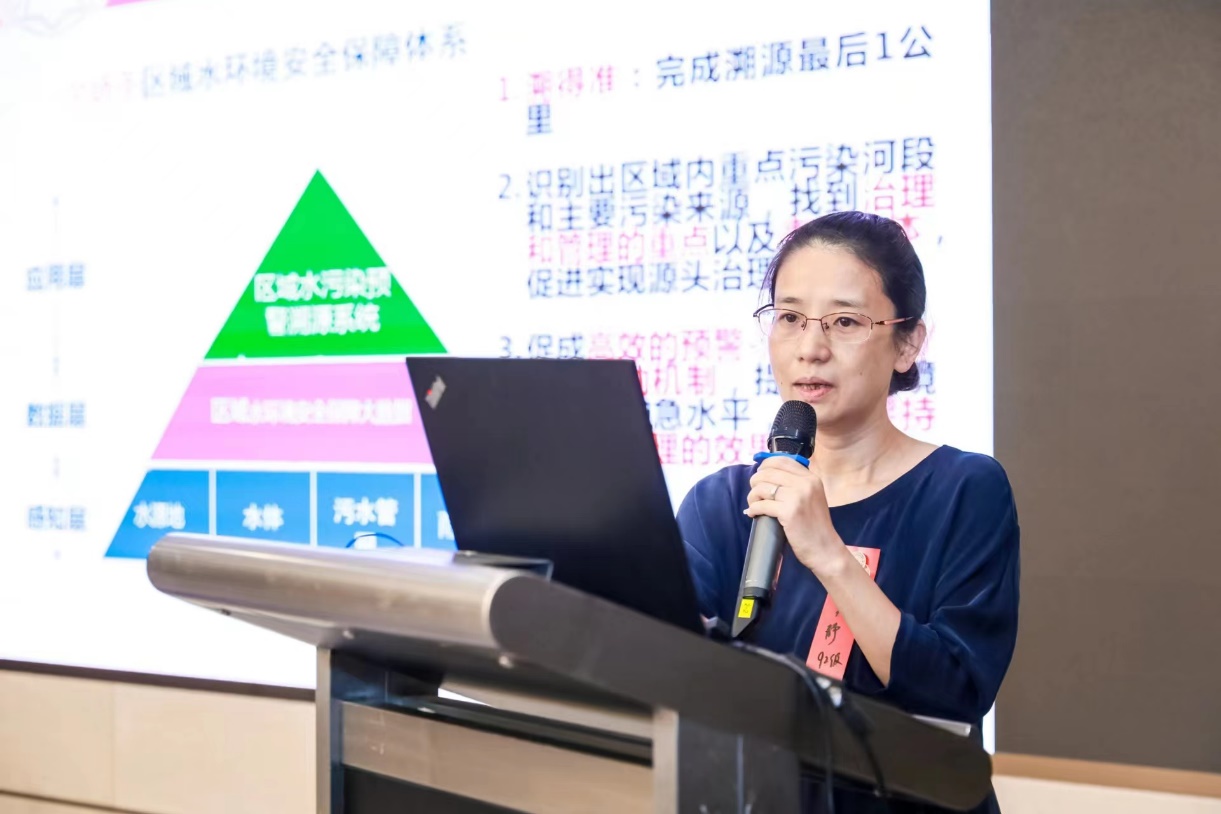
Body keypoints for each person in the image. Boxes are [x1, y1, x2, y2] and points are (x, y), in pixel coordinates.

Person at [676, 211, 1020, 813]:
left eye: (844, 322)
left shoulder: (964, 489)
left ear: (907, 343)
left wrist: (828, 554)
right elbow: (669, 660)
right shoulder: (723, 502)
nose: (811, 349)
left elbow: (957, 691)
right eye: (789, 318)